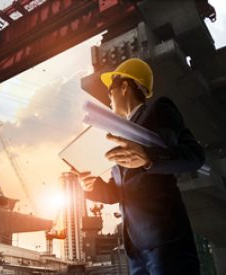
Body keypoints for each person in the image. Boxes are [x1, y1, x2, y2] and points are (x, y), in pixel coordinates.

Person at [80, 58, 205, 275]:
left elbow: (194, 156)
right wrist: (93, 187)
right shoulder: (120, 135)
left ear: (125, 86)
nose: (108, 97)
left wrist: (148, 158)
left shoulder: (158, 110)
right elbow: (119, 192)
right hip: (135, 247)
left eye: (110, 91)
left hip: (165, 241)